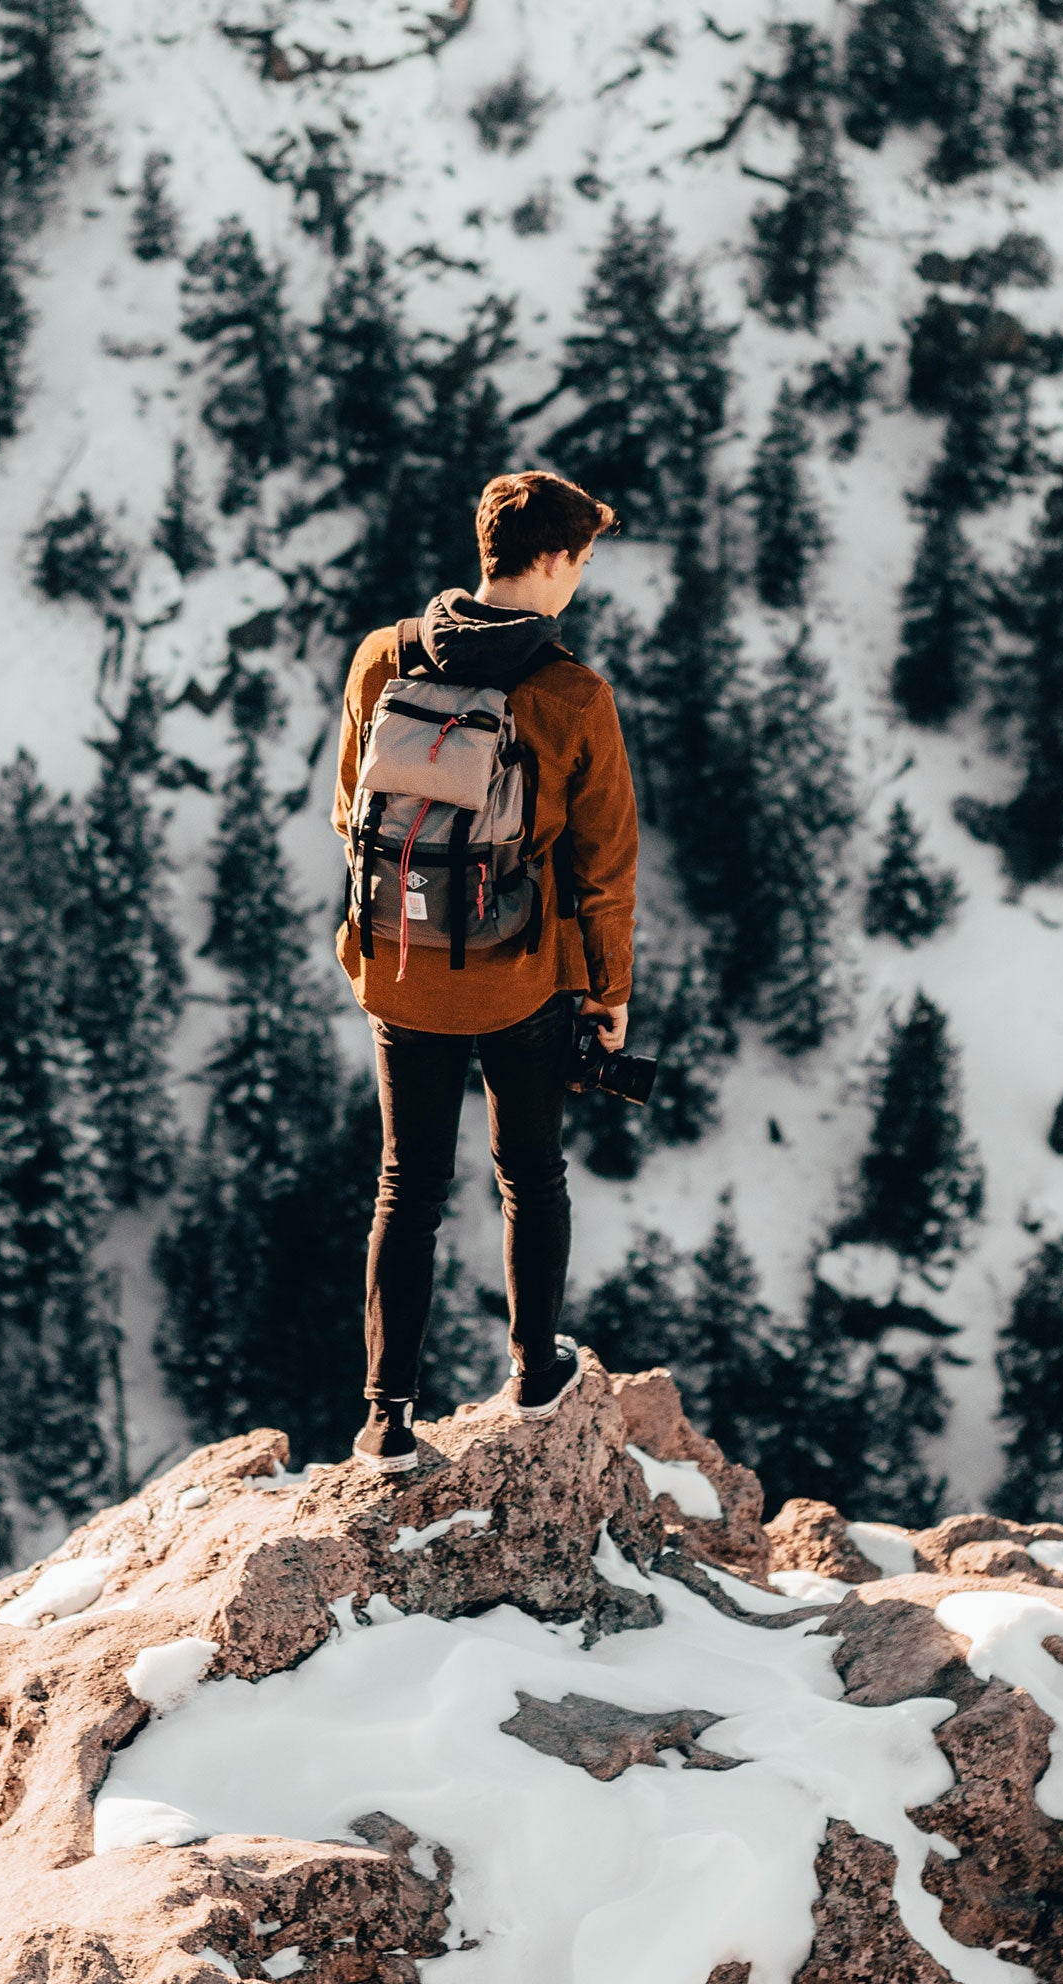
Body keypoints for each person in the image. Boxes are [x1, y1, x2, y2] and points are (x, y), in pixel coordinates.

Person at [331, 469, 639, 1471]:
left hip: (400, 967)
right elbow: (603, 869)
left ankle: (384, 1415)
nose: (579, 579)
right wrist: (610, 994)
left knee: (403, 1186)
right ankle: (535, 1371)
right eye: (581, 560)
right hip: (520, 978)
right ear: (551, 559)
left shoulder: (383, 655)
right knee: (529, 1175)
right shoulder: (569, 693)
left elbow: (351, 810)